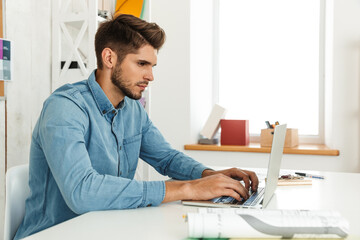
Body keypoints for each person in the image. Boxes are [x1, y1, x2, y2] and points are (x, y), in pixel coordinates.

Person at [14, 14, 258, 240]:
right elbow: (82, 191)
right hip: (54, 234)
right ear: (109, 58)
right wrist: (188, 189)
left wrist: (210, 175)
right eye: (142, 64)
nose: (150, 76)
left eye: (152, 66)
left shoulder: (132, 109)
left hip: (106, 229)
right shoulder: (65, 108)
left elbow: (167, 159)